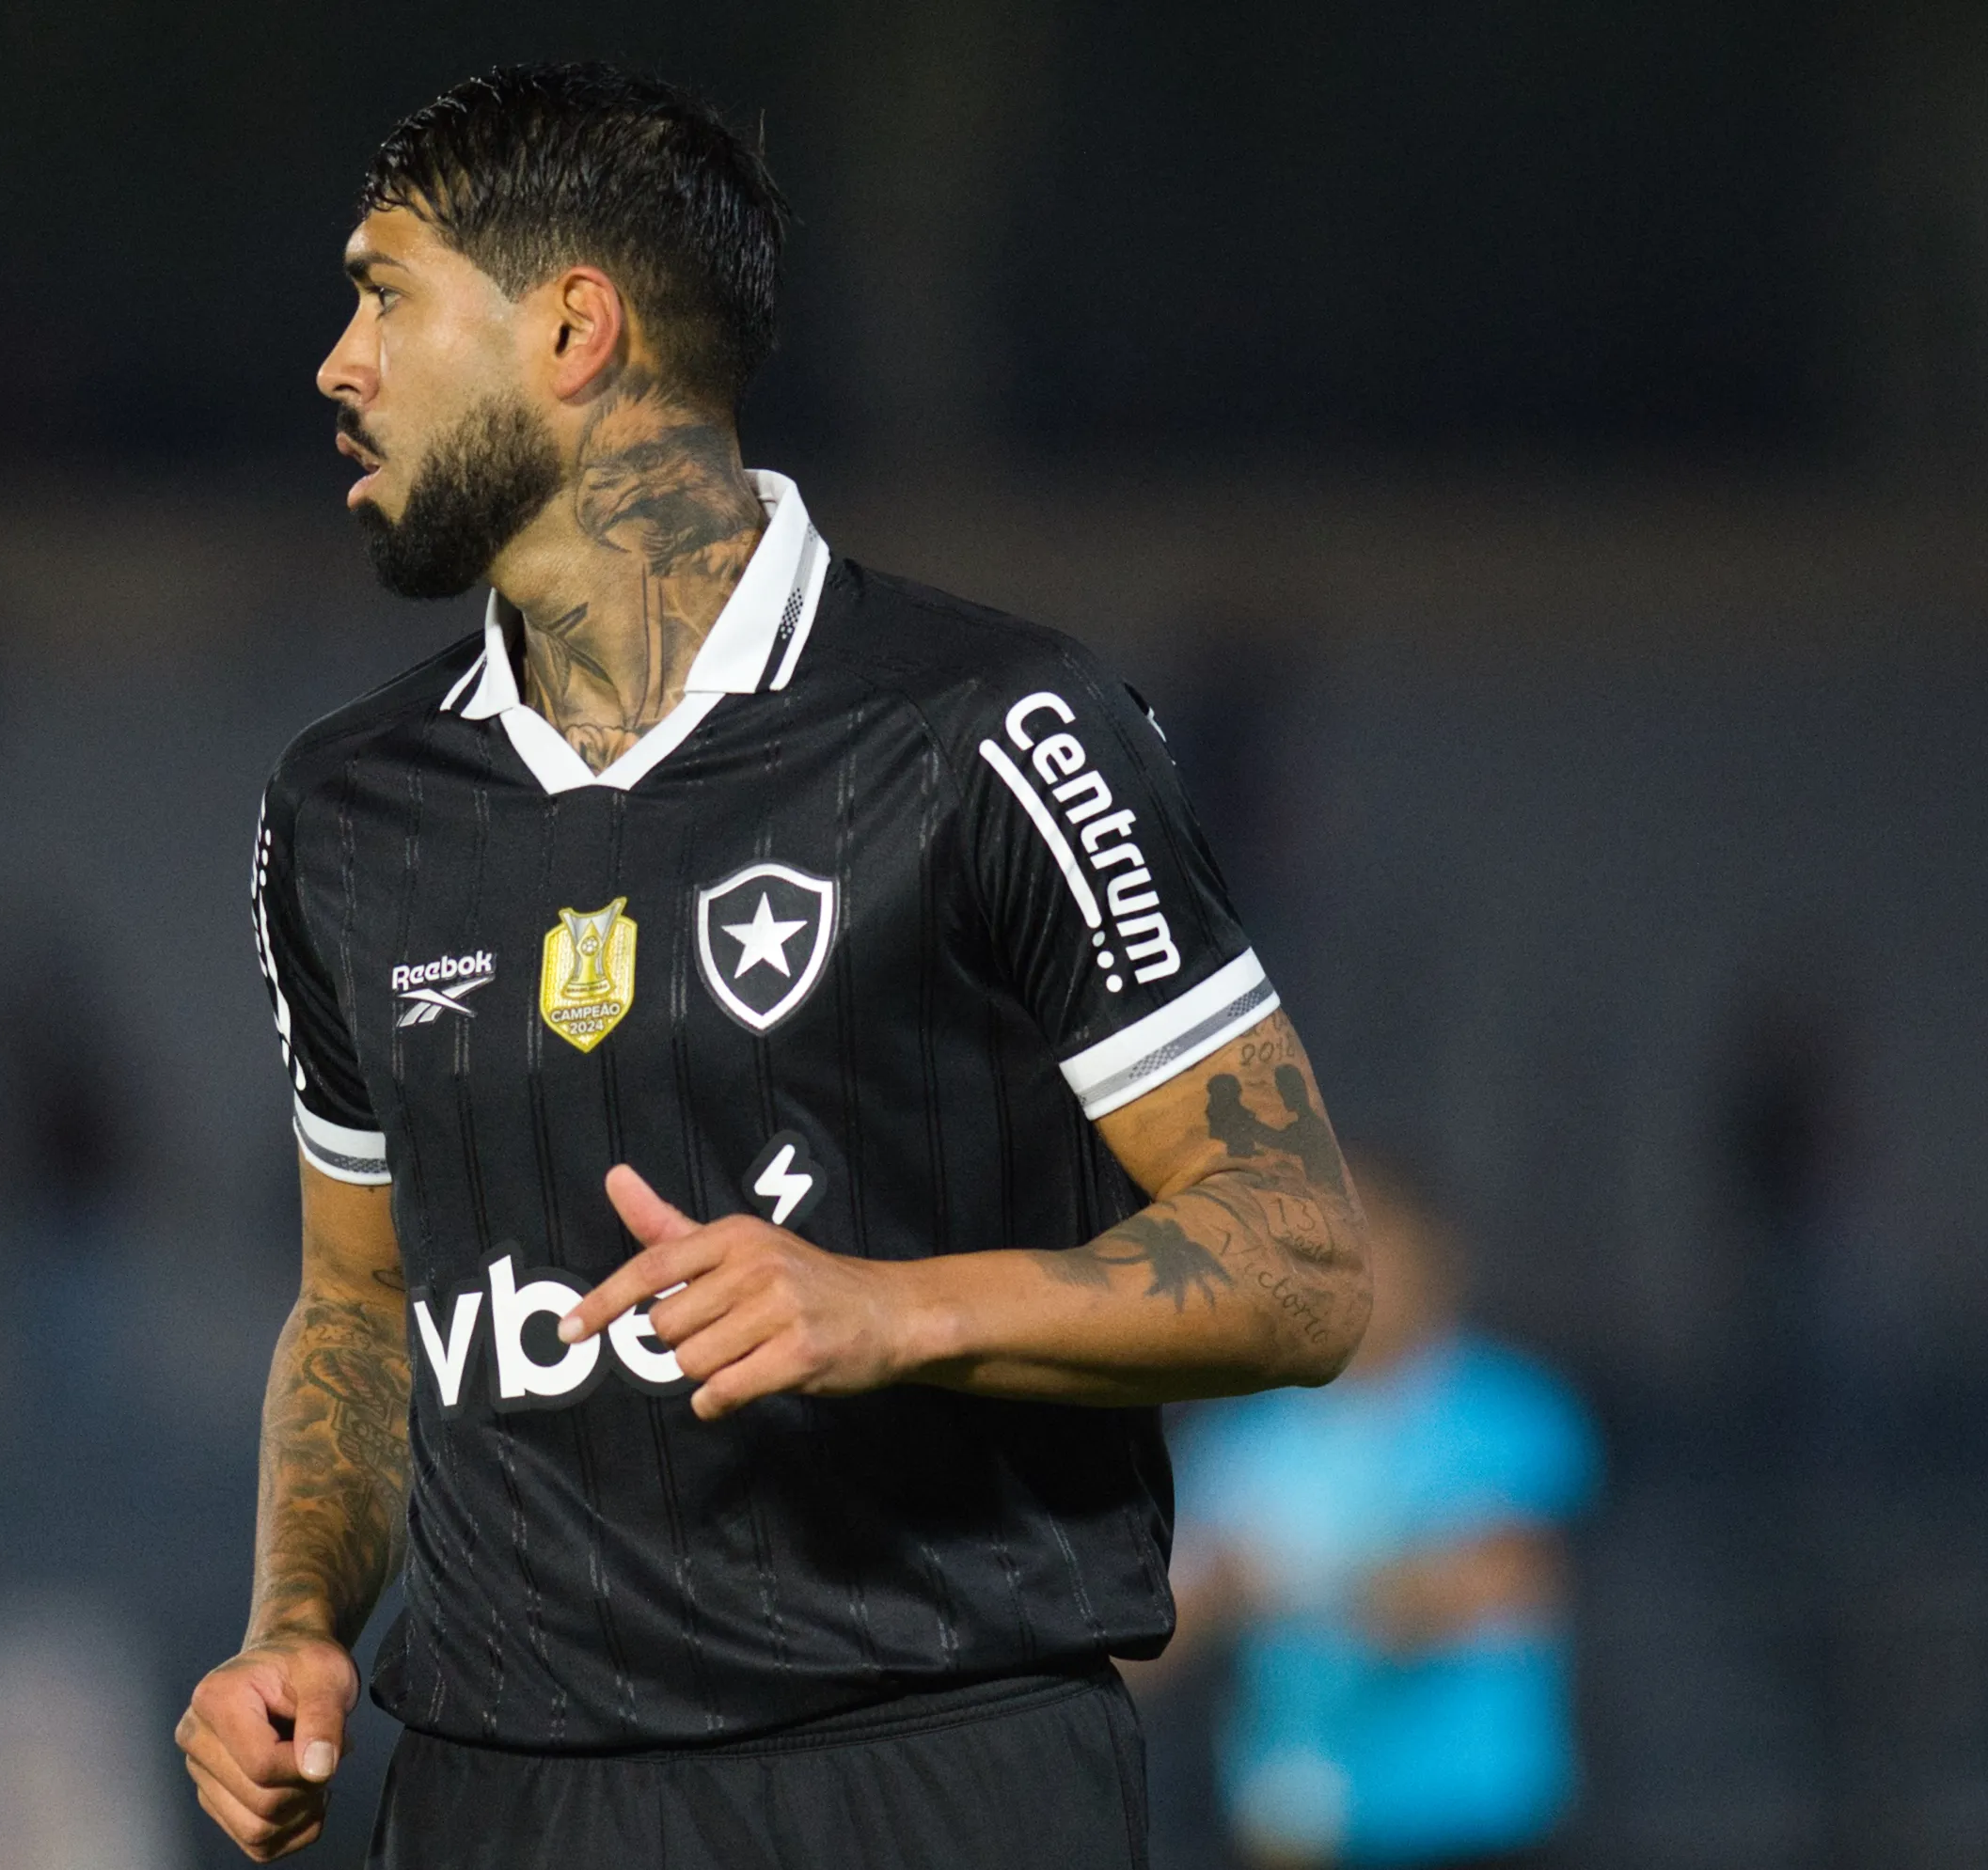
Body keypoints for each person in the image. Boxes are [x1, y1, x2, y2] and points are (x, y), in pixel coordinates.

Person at [170, 63, 1373, 1870]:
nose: (340, 364)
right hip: (499, 1795)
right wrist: (292, 1626)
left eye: (384, 296)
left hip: (925, 1773)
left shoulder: (996, 730)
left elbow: (1299, 1253)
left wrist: (896, 1308)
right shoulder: (343, 809)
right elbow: (357, 1302)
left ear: (574, 327)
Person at [1162, 1160, 1599, 1869]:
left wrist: (1306, 1579)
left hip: (1469, 1824)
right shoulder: (1241, 1435)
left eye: (1373, 1244)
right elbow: (1158, 1628)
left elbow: (1503, 1578)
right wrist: (1218, 1594)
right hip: (1295, 1827)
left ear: (1435, 1257)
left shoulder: (1506, 1408)